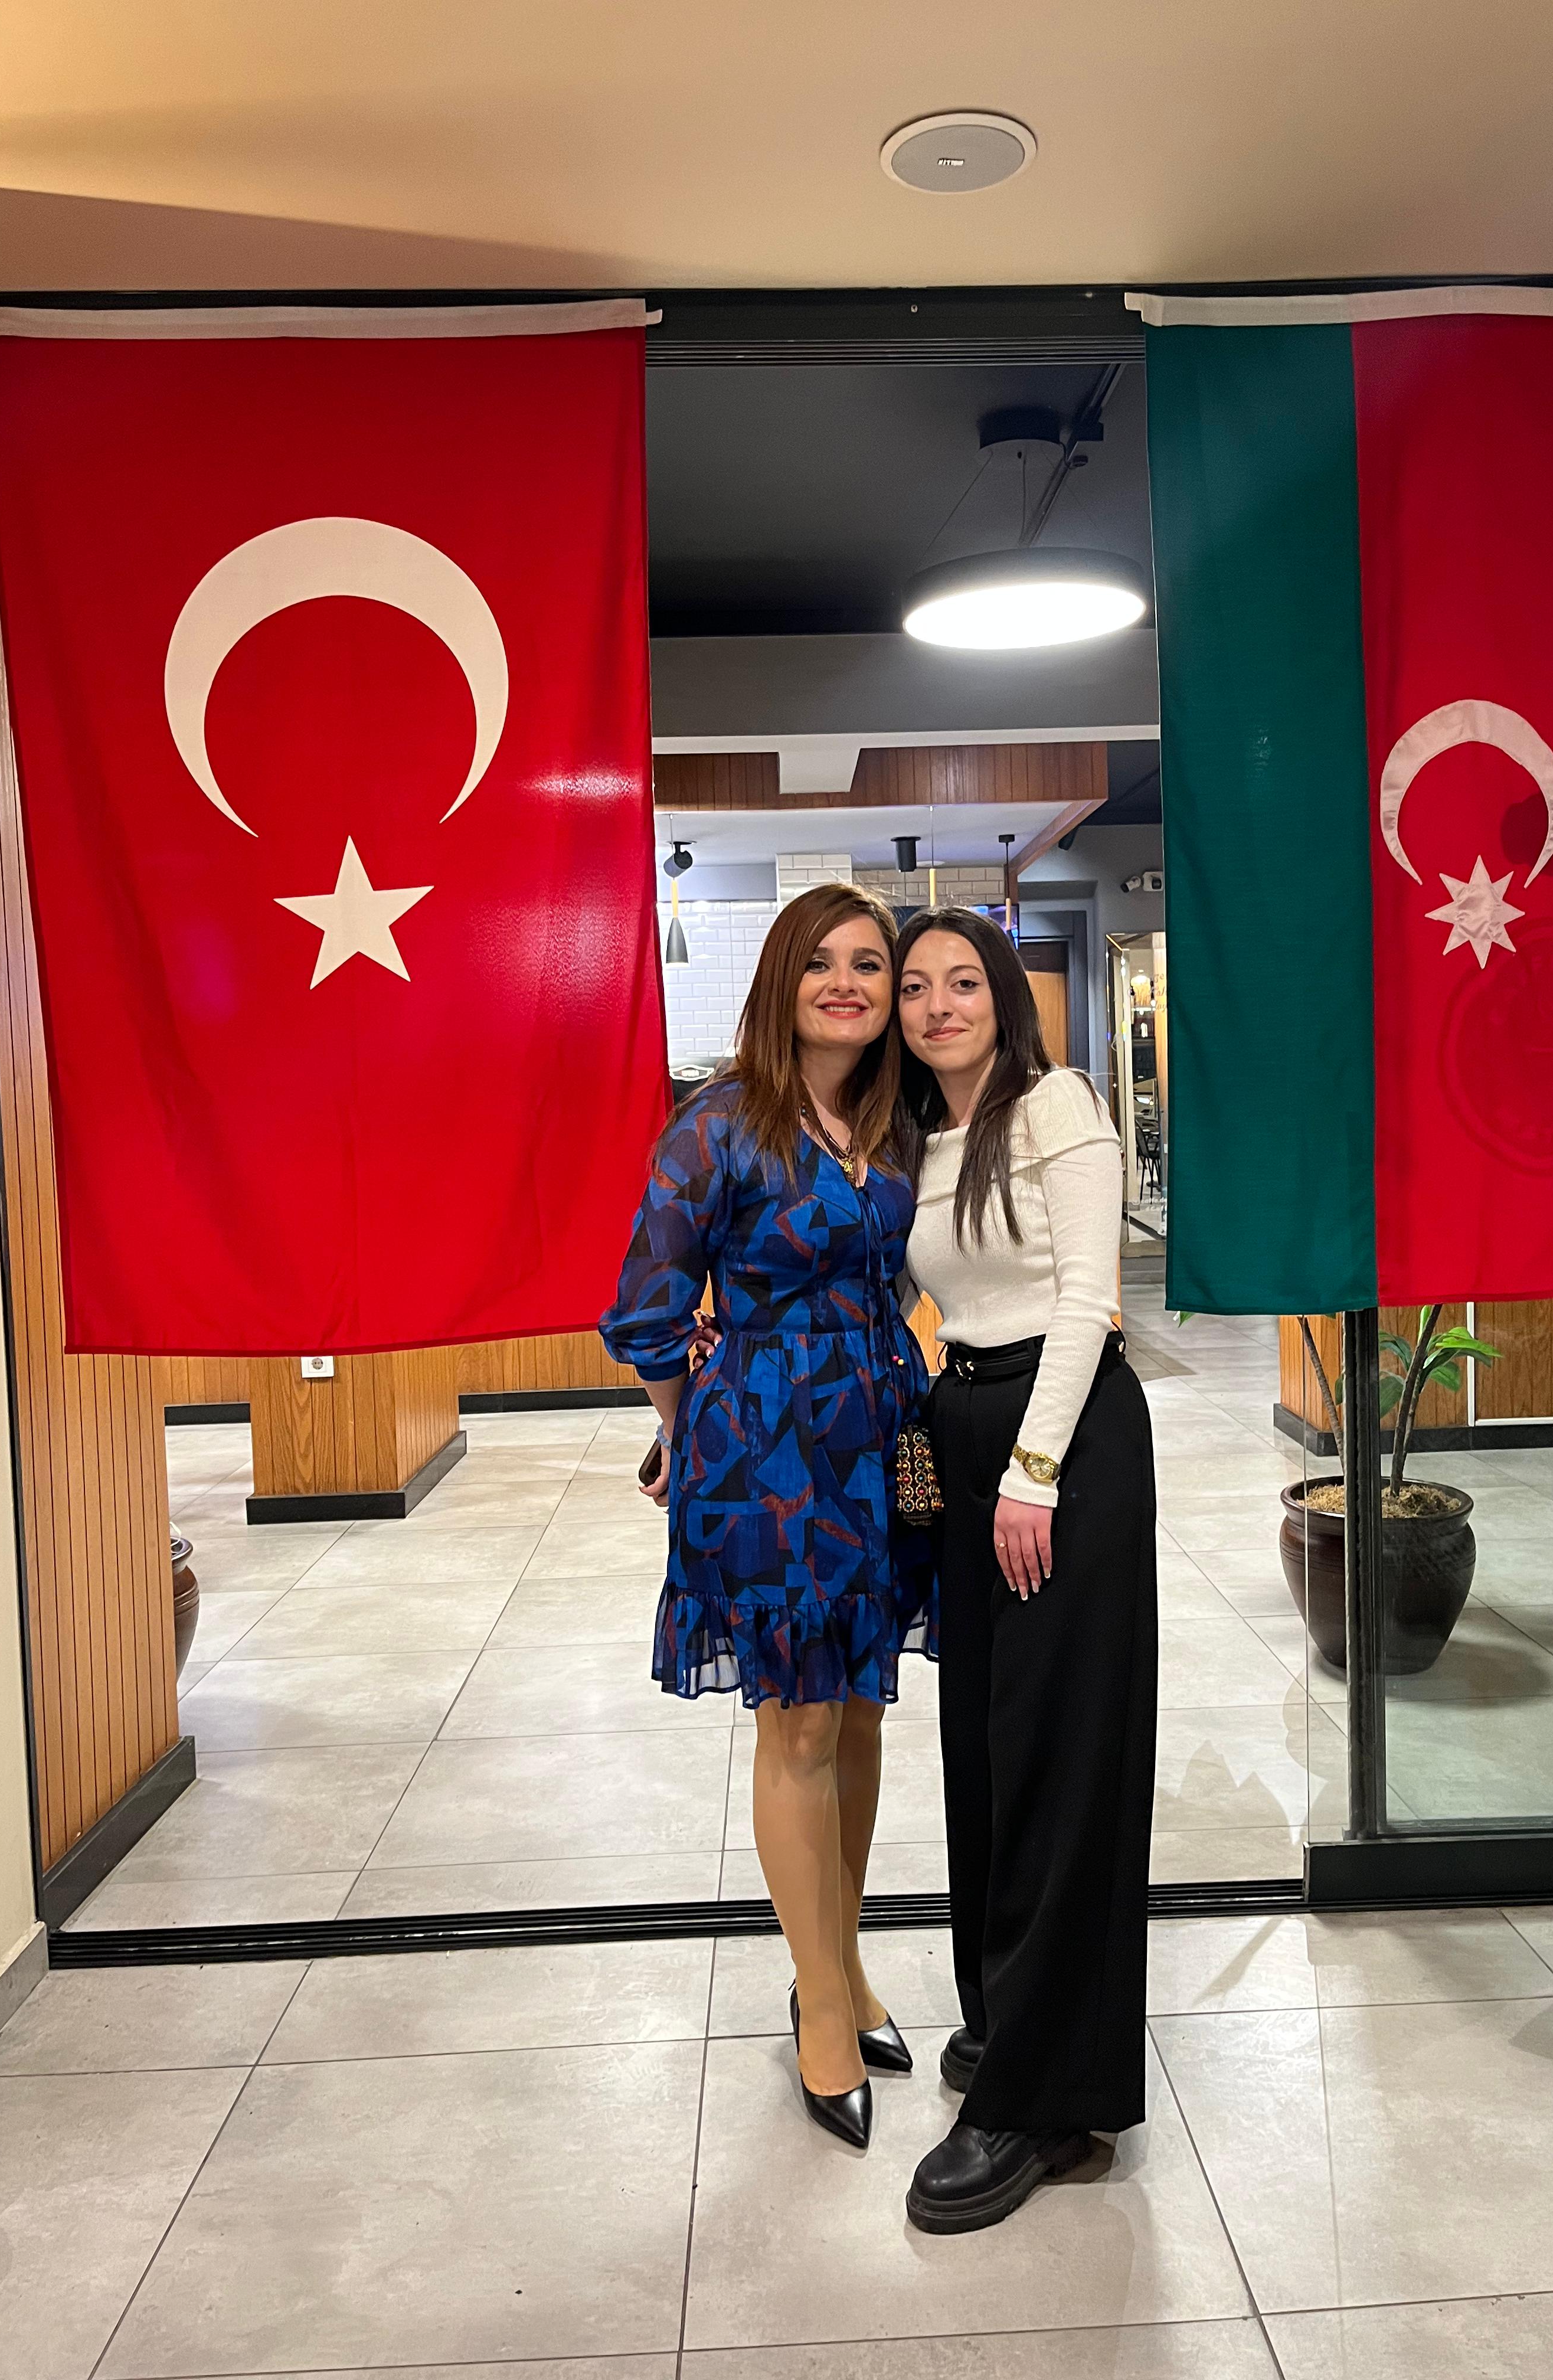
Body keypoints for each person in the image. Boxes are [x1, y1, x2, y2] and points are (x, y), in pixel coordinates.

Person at [600, 881, 934, 2151]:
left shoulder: (899, 1124)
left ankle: (838, 1967)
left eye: (870, 964)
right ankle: (822, 2015)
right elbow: (646, 1308)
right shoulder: (720, 1125)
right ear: (781, 982)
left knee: (861, 1711)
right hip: (767, 1454)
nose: (847, 984)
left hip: (883, 1441)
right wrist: (690, 1423)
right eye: (821, 963)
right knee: (797, 1721)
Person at [893, 905, 1157, 2233]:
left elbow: (1083, 1298)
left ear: (1005, 991)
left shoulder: (1058, 1107)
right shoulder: (920, 1139)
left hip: (1062, 1443)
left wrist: (1034, 1471)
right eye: (915, 986)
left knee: (1061, 1755)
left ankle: (1047, 2104)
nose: (939, 1004)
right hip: (966, 1425)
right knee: (987, 1747)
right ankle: (1009, 2014)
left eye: (963, 980)